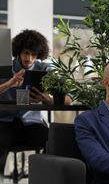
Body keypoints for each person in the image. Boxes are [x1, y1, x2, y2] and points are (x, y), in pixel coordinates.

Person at [0, 29, 72, 174]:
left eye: (34, 55)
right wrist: (9, 84)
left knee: (53, 141)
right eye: (26, 53)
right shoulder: (5, 68)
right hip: (5, 123)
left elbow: (68, 98)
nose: (30, 59)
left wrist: (50, 100)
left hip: (31, 124)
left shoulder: (44, 69)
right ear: (19, 51)